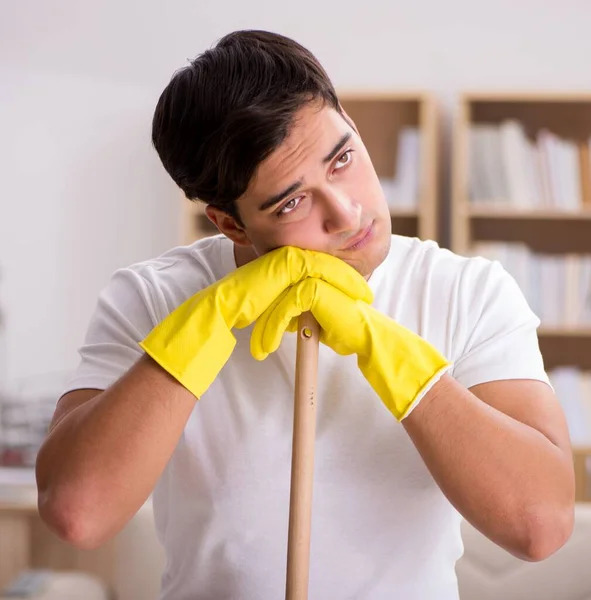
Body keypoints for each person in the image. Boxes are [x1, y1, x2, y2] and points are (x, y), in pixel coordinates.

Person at [35, 30, 575, 600]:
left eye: (342, 159)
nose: (346, 213)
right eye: (292, 201)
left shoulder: (468, 291)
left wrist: (386, 350)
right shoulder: (150, 299)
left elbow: (540, 525)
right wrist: (207, 323)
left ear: (353, 126)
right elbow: (78, 513)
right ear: (230, 224)